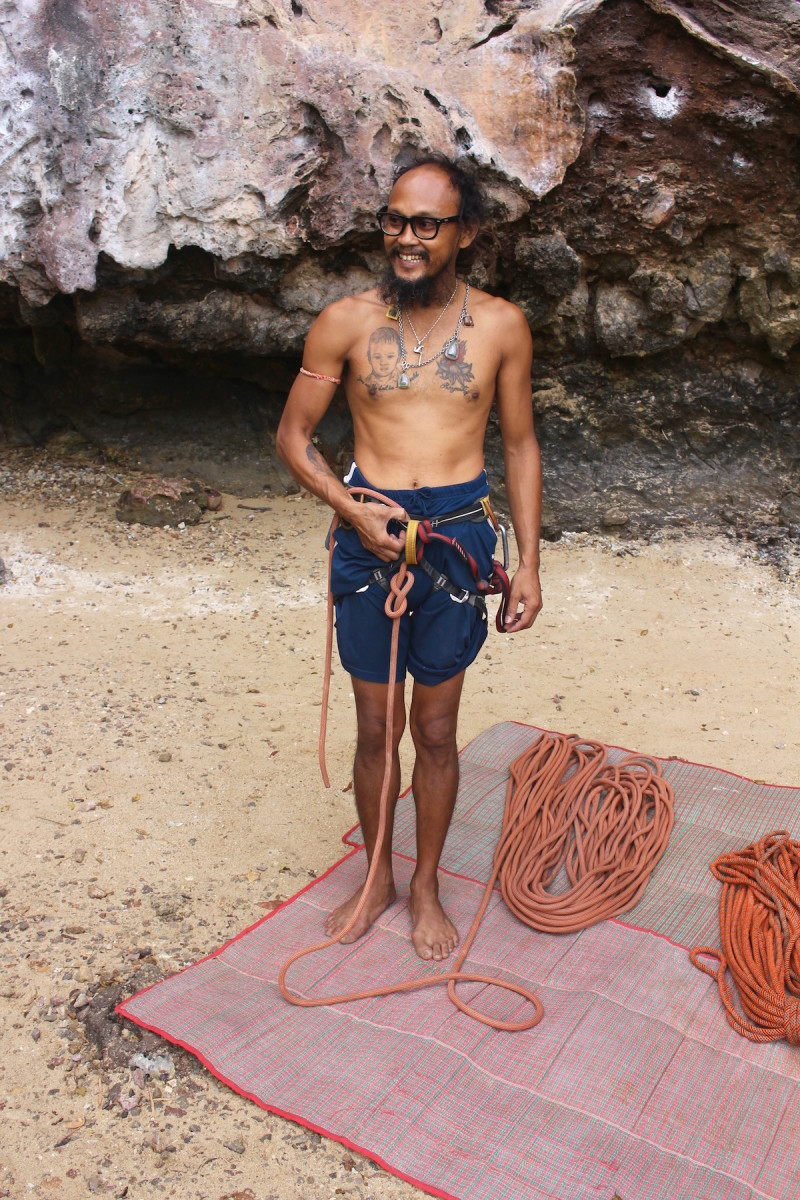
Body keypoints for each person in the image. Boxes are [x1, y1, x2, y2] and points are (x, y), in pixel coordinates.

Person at [276, 155, 542, 962]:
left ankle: (425, 881)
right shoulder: (345, 322)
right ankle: (376, 878)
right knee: (375, 726)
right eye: (395, 220)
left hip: (459, 532)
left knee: (434, 727)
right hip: (370, 528)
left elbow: (522, 443)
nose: (407, 238)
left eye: (427, 224)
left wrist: (528, 561)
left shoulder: (501, 325)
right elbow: (293, 437)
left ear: (466, 233)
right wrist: (349, 508)